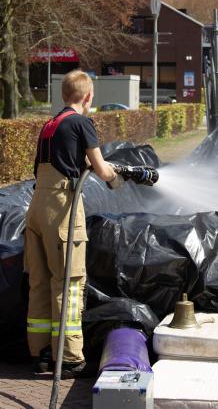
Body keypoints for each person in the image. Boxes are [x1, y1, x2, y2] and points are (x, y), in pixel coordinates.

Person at [24, 69, 123, 378]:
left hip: (36, 208)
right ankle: (67, 357)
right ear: (88, 97)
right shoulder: (82, 122)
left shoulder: (49, 125)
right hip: (61, 209)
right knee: (67, 281)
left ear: (64, 95)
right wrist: (118, 177)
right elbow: (103, 171)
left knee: (39, 283)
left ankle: (41, 353)